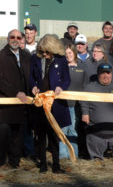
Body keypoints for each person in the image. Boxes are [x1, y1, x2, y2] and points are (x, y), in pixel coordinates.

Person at [30, 34, 71, 173]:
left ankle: (56, 165)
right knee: (41, 135)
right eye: (42, 51)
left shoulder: (61, 60)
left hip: (55, 103)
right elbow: (32, 77)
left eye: (47, 51)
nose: (45, 54)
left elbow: (67, 79)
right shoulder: (35, 59)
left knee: (54, 135)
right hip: (40, 102)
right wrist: (33, 87)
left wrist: (61, 87)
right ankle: (42, 165)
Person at [0, 29, 31, 168]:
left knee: (18, 135)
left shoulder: (26, 56)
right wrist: (16, 93)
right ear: (8, 39)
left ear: (22, 40)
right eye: (12, 37)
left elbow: (29, 78)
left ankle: (15, 162)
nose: (15, 39)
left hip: (22, 104)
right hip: (6, 104)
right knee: (3, 134)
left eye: (18, 37)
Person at [81, 63, 113, 161]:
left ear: (111, 74)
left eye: (108, 73)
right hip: (96, 129)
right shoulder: (90, 88)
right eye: (102, 73)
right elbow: (83, 101)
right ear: (98, 74)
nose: (105, 76)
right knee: (92, 138)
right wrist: (85, 113)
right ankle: (96, 157)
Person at [59, 43, 84, 159]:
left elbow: (85, 85)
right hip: (62, 104)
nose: (68, 55)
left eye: (70, 53)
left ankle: (74, 155)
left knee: (73, 130)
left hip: (75, 105)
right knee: (62, 130)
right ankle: (63, 155)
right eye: (66, 53)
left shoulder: (81, 67)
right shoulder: (60, 67)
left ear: (74, 53)